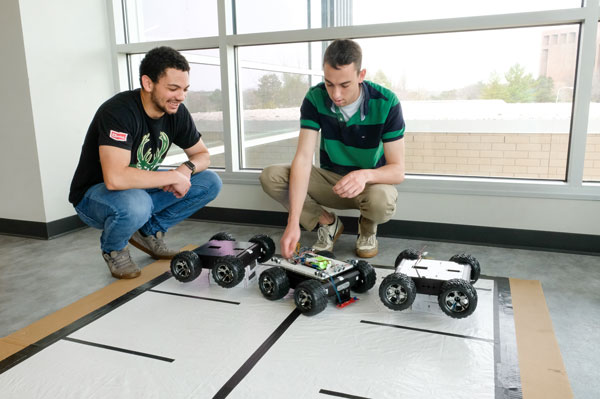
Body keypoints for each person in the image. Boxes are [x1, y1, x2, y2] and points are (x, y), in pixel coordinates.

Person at [69, 46, 222, 279]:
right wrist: (172, 177)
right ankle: (114, 248)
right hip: (93, 196)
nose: (180, 96)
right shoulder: (119, 111)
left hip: (135, 188)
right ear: (148, 83)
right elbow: (115, 178)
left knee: (210, 181)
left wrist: (185, 169)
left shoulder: (176, 112)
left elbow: (202, 155)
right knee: (137, 202)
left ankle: (148, 231)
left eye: (184, 90)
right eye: (173, 88)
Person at [260, 39, 405, 259]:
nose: (336, 94)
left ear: (361, 75)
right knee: (271, 176)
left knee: (382, 200)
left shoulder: (387, 102)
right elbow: (303, 158)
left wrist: (364, 175)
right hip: (331, 181)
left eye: (344, 85)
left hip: (368, 186)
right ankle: (328, 223)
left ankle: (367, 226)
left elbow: (397, 171)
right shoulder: (315, 98)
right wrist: (293, 223)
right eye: (329, 84)